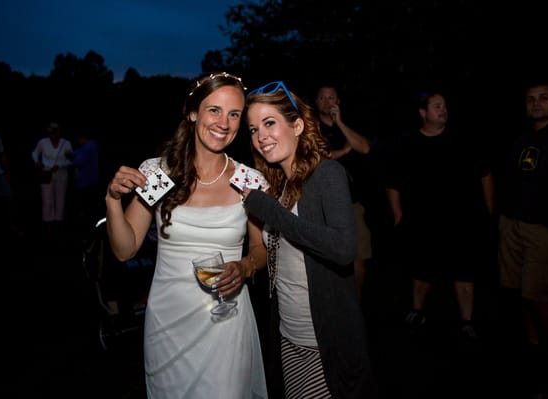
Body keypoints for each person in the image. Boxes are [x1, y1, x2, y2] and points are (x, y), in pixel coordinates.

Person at [104, 72, 268, 398]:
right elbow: (125, 250)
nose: (224, 122)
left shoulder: (249, 181)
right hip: (168, 324)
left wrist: (245, 267)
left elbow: (259, 249)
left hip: (226, 319)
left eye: (234, 114)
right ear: (193, 112)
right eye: (214, 110)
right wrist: (111, 199)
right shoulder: (160, 173)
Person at [242, 81, 377, 399]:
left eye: (270, 122)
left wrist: (271, 212)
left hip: (323, 342)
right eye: (252, 129)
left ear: (298, 125)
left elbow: (344, 249)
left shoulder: (327, 174)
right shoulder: (281, 187)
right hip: (289, 338)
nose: (261, 136)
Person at [385, 89, 495, 340]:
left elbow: (485, 175)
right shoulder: (409, 144)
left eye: (444, 106)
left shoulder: (463, 141)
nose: (443, 110)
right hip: (424, 223)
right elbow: (393, 183)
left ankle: (467, 320)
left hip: (462, 222)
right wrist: (398, 216)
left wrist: (488, 212)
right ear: (423, 113)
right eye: (437, 106)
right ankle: (417, 311)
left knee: (464, 272)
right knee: (422, 270)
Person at [497, 80, 548, 363]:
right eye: (530, 99)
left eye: (543, 98)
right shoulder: (521, 141)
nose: (536, 103)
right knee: (520, 291)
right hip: (512, 224)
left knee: (539, 294)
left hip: (543, 229)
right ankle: (533, 347)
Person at [315, 83, 373, 300]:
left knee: (359, 255)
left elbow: (365, 148)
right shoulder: (312, 128)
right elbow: (318, 157)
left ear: (338, 102)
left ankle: (355, 304)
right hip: (323, 203)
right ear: (316, 102)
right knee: (327, 255)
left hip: (353, 202)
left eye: (331, 97)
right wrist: (345, 150)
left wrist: (339, 122)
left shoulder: (349, 124)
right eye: (322, 97)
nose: (327, 102)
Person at [31, 122, 73, 242]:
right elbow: (34, 153)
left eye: (54, 131)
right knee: (47, 199)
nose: (52, 134)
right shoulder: (43, 142)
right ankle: (48, 228)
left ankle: (59, 226)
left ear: (59, 132)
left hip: (61, 174)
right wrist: (37, 162)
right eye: (50, 132)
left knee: (60, 199)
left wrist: (60, 165)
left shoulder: (66, 144)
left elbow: (71, 160)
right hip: (46, 173)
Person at [71, 127, 101, 237]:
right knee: (90, 205)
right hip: (92, 180)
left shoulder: (88, 147)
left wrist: (70, 157)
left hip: (86, 181)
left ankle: (87, 229)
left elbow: (78, 161)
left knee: (86, 206)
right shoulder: (92, 145)